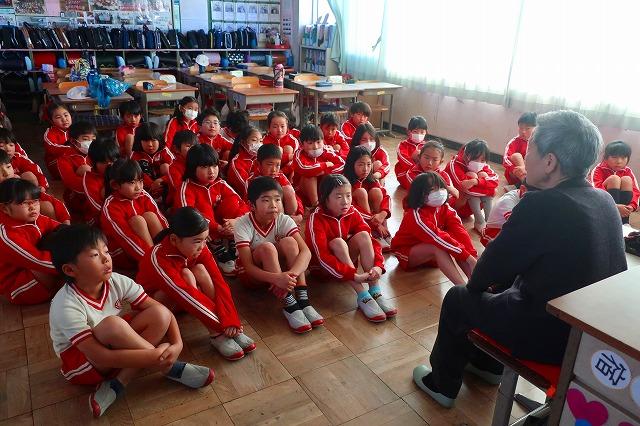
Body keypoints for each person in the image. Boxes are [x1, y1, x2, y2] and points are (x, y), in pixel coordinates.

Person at [412, 110, 627, 409]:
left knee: (459, 298)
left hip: (547, 339)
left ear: (549, 162)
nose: (525, 158)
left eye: (530, 151)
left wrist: (486, 281)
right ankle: (487, 366)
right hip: (586, 337)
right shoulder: (604, 200)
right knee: (504, 287)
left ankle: (442, 384)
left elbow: (483, 275)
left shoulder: (542, 204)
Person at [46, 224, 214, 418]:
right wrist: (156, 357)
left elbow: (163, 312)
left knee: (158, 314)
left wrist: (177, 344)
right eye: (95, 255)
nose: (106, 258)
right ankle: (169, 367)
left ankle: (119, 382)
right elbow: (101, 357)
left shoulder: (116, 280)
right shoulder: (65, 305)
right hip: (82, 362)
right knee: (114, 324)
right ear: (70, 269)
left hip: (111, 341)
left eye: (106, 251)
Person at [137, 207, 255, 360]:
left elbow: (219, 282)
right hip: (159, 307)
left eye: (205, 239)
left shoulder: (200, 247)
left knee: (200, 269)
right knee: (187, 275)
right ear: (174, 240)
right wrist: (221, 325)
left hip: (188, 300)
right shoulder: (158, 258)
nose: (203, 246)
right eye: (197, 241)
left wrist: (231, 319)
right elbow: (186, 295)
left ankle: (227, 327)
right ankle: (216, 334)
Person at [235, 176, 323, 332]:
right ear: (252, 205)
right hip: (253, 277)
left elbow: (306, 252)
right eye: (266, 200)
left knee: (290, 242)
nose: (273, 205)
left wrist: (290, 275)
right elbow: (248, 267)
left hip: (283, 277)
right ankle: (289, 304)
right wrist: (277, 278)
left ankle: (303, 299)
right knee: (267, 248)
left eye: (277, 199)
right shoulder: (242, 224)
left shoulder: (283, 219)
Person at [305, 174, 396, 323]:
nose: (345, 201)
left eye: (348, 195)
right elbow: (322, 258)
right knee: (338, 243)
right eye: (338, 196)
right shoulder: (316, 218)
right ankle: (362, 296)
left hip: (345, 265)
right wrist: (352, 275)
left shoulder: (352, 211)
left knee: (364, 236)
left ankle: (375, 291)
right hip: (323, 270)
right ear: (325, 198)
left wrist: (378, 266)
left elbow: (372, 241)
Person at [391, 172, 477, 285]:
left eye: (441, 187)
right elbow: (437, 237)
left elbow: (459, 232)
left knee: (456, 243)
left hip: (431, 252)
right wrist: (469, 258)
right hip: (407, 252)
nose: (439, 192)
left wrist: (471, 256)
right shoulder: (415, 215)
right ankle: (462, 288)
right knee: (439, 246)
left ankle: (475, 283)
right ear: (419, 193)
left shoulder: (445, 208)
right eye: (432, 189)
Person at [176, 144, 248, 275]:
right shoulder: (186, 187)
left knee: (232, 201)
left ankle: (233, 240)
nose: (211, 171)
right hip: (203, 229)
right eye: (204, 167)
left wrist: (236, 221)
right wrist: (215, 227)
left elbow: (242, 203)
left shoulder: (220, 183)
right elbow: (187, 215)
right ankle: (217, 246)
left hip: (223, 225)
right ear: (192, 168)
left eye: (214, 166)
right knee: (201, 210)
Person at [0, 178, 62, 304]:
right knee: (46, 269)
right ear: (5, 209)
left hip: (33, 265)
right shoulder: (7, 234)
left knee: (63, 237)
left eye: (36, 201)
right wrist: (75, 264)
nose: (32, 207)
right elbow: (37, 261)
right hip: (17, 283)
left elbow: (63, 229)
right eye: (25, 203)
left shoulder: (36, 218)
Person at [100, 159, 168, 269]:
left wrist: (174, 248)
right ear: (115, 185)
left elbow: (161, 219)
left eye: (140, 181)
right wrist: (152, 260)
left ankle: (166, 254)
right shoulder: (111, 206)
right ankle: (155, 262)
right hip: (124, 251)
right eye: (132, 182)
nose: (138, 187)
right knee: (138, 221)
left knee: (150, 216)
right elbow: (126, 238)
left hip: (145, 247)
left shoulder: (143, 195)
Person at [343, 146, 391, 249]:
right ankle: (372, 233)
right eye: (361, 164)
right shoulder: (345, 182)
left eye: (369, 164)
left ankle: (384, 232)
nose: (365, 169)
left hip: (372, 218)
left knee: (377, 191)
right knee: (361, 192)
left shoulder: (370, 179)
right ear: (351, 164)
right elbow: (351, 209)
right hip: (354, 219)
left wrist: (383, 214)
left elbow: (386, 196)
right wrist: (376, 224)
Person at [0, 152, 69, 223]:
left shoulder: (18, 184)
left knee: (47, 206)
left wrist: (65, 221)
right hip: (11, 226)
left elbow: (53, 201)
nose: (6, 173)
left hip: (31, 221)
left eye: (8, 167)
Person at [448, 139, 499, 233]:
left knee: (483, 176)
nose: (479, 162)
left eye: (483, 160)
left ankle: (489, 221)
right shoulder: (454, 165)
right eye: (475, 159)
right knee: (476, 182)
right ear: (466, 155)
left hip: (470, 208)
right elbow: (467, 189)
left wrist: (476, 181)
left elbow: (495, 179)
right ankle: (479, 221)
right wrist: (491, 190)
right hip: (455, 206)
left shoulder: (483, 165)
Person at [248, 144, 303, 224]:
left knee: (288, 189)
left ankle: (290, 222)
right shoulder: (252, 181)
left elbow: (294, 196)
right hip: (263, 216)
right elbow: (248, 205)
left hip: (282, 213)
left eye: (278, 165)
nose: (274, 169)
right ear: (259, 164)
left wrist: (300, 215)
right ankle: (279, 225)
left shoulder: (280, 176)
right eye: (270, 164)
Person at [293, 124, 345, 207]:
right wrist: (325, 165)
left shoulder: (326, 150)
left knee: (332, 176)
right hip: (302, 192)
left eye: (318, 142)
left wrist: (324, 171)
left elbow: (342, 164)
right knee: (310, 176)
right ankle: (316, 206)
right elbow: (305, 169)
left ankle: (329, 202)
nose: (315, 147)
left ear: (323, 141)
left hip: (321, 188)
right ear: (302, 144)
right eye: (310, 143)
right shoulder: (298, 154)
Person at [590, 140, 639, 224]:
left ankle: (624, 222)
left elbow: (635, 190)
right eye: (614, 157)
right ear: (606, 158)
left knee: (627, 179)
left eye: (623, 158)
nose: (619, 161)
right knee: (614, 179)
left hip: (623, 208)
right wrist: (613, 206)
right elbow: (596, 190)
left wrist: (632, 206)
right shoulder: (599, 169)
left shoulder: (628, 171)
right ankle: (610, 219)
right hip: (604, 205)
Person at [57, 121, 97, 220]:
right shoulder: (64, 159)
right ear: (73, 141)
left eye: (93, 139)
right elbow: (71, 182)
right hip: (77, 198)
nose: (90, 142)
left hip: (97, 191)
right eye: (85, 139)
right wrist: (95, 183)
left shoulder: (97, 153)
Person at [131, 122, 174, 200]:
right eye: (145, 141)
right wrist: (152, 185)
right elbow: (134, 175)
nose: (150, 144)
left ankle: (167, 198)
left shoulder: (164, 151)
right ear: (139, 141)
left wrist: (162, 179)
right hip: (146, 187)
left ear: (159, 140)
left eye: (153, 140)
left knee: (165, 167)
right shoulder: (135, 154)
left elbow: (175, 170)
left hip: (162, 183)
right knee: (139, 167)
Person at [83, 138, 120, 224]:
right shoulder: (89, 179)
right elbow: (97, 207)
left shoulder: (121, 171)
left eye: (113, 161)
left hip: (122, 212)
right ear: (92, 162)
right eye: (104, 162)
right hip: (99, 218)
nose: (110, 165)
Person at [227, 126, 263, 198]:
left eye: (261, 141)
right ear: (243, 142)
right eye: (254, 140)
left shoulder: (261, 157)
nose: (258, 144)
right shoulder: (236, 162)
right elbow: (247, 187)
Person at [503, 112, 537, 186]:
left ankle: (523, 185)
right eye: (521, 128)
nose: (523, 131)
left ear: (536, 128)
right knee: (517, 156)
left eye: (527, 128)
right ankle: (525, 184)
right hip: (515, 174)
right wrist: (518, 169)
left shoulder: (538, 143)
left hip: (530, 173)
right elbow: (506, 158)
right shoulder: (514, 142)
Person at [262, 110, 299, 178]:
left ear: (287, 126)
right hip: (271, 171)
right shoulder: (264, 141)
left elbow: (296, 160)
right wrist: (289, 157)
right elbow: (265, 161)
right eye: (275, 127)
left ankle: (290, 181)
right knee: (277, 149)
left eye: (282, 126)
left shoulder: (293, 140)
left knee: (288, 148)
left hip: (289, 171)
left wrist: (283, 171)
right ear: (269, 128)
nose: (279, 130)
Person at [395, 116, 428, 185]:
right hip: (404, 173)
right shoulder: (402, 145)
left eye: (422, 132)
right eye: (415, 131)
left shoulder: (427, 146)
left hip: (421, 172)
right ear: (408, 132)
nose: (419, 134)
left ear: (426, 133)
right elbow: (403, 159)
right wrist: (417, 168)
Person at [167, 130, 199, 201]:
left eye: (194, 146)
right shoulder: (173, 168)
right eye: (188, 146)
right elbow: (179, 188)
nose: (193, 149)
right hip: (180, 198)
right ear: (176, 149)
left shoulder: (199, 162)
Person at [43, 102, 72, 179]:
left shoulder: (75, 129)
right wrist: (72, 149)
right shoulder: (49, 133)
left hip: (71, 157)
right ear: (51, 121)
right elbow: (52, 148)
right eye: (58, 117)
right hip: (56, 162)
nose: (64, 119)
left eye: (66, 115)